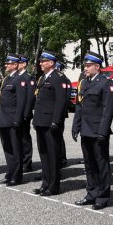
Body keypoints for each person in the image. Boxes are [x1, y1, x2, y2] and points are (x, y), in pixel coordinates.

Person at [71, 52, 113, 210]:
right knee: (89, 165)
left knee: (101, 164)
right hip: (86, 130)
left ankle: (102, 196)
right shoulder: (85, 83)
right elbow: (79, 107)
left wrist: (103, 132)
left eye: (88, 65)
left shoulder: (106, 84)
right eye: (85, 65)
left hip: (98, 131)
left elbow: (108, 110)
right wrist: (76, 126)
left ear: (97, 67)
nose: (85, 68)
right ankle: (91, 193)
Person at [32, 52, 68, 196]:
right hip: (41, 121)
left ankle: (53, 186)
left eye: (44, 61)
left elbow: (61, 102)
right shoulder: (43, 78)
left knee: (53, 156)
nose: (41, 63)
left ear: (52, 62)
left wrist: (56, 121)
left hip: (50, 123)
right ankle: (45, 183)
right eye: (41, 61)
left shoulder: (59, 78)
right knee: (44, 155)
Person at [0, 54, 27, 186]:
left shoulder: (19, 79)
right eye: (6, 63)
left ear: (15, 65)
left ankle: (17, 176)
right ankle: (10, 172)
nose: (6, 65)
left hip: (13, 120)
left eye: (9, 63)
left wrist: (17, 119)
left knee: (16, 149)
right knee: (8, 149)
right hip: (3, 120)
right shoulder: (7, 79)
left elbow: (21, 102)